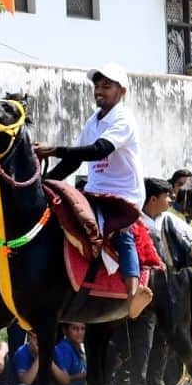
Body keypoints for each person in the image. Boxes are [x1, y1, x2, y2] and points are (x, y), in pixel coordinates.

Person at [37, 66, 144, 304]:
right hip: (95, 191)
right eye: (97, 86)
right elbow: (74, 161)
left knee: (120, 233)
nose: (99, 91)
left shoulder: (124, 118)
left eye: (106, 87)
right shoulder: (92, 121)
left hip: (123, 195)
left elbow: (99, 150)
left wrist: (54, 149)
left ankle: (133, 292)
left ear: (122, 91)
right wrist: (43, 182)